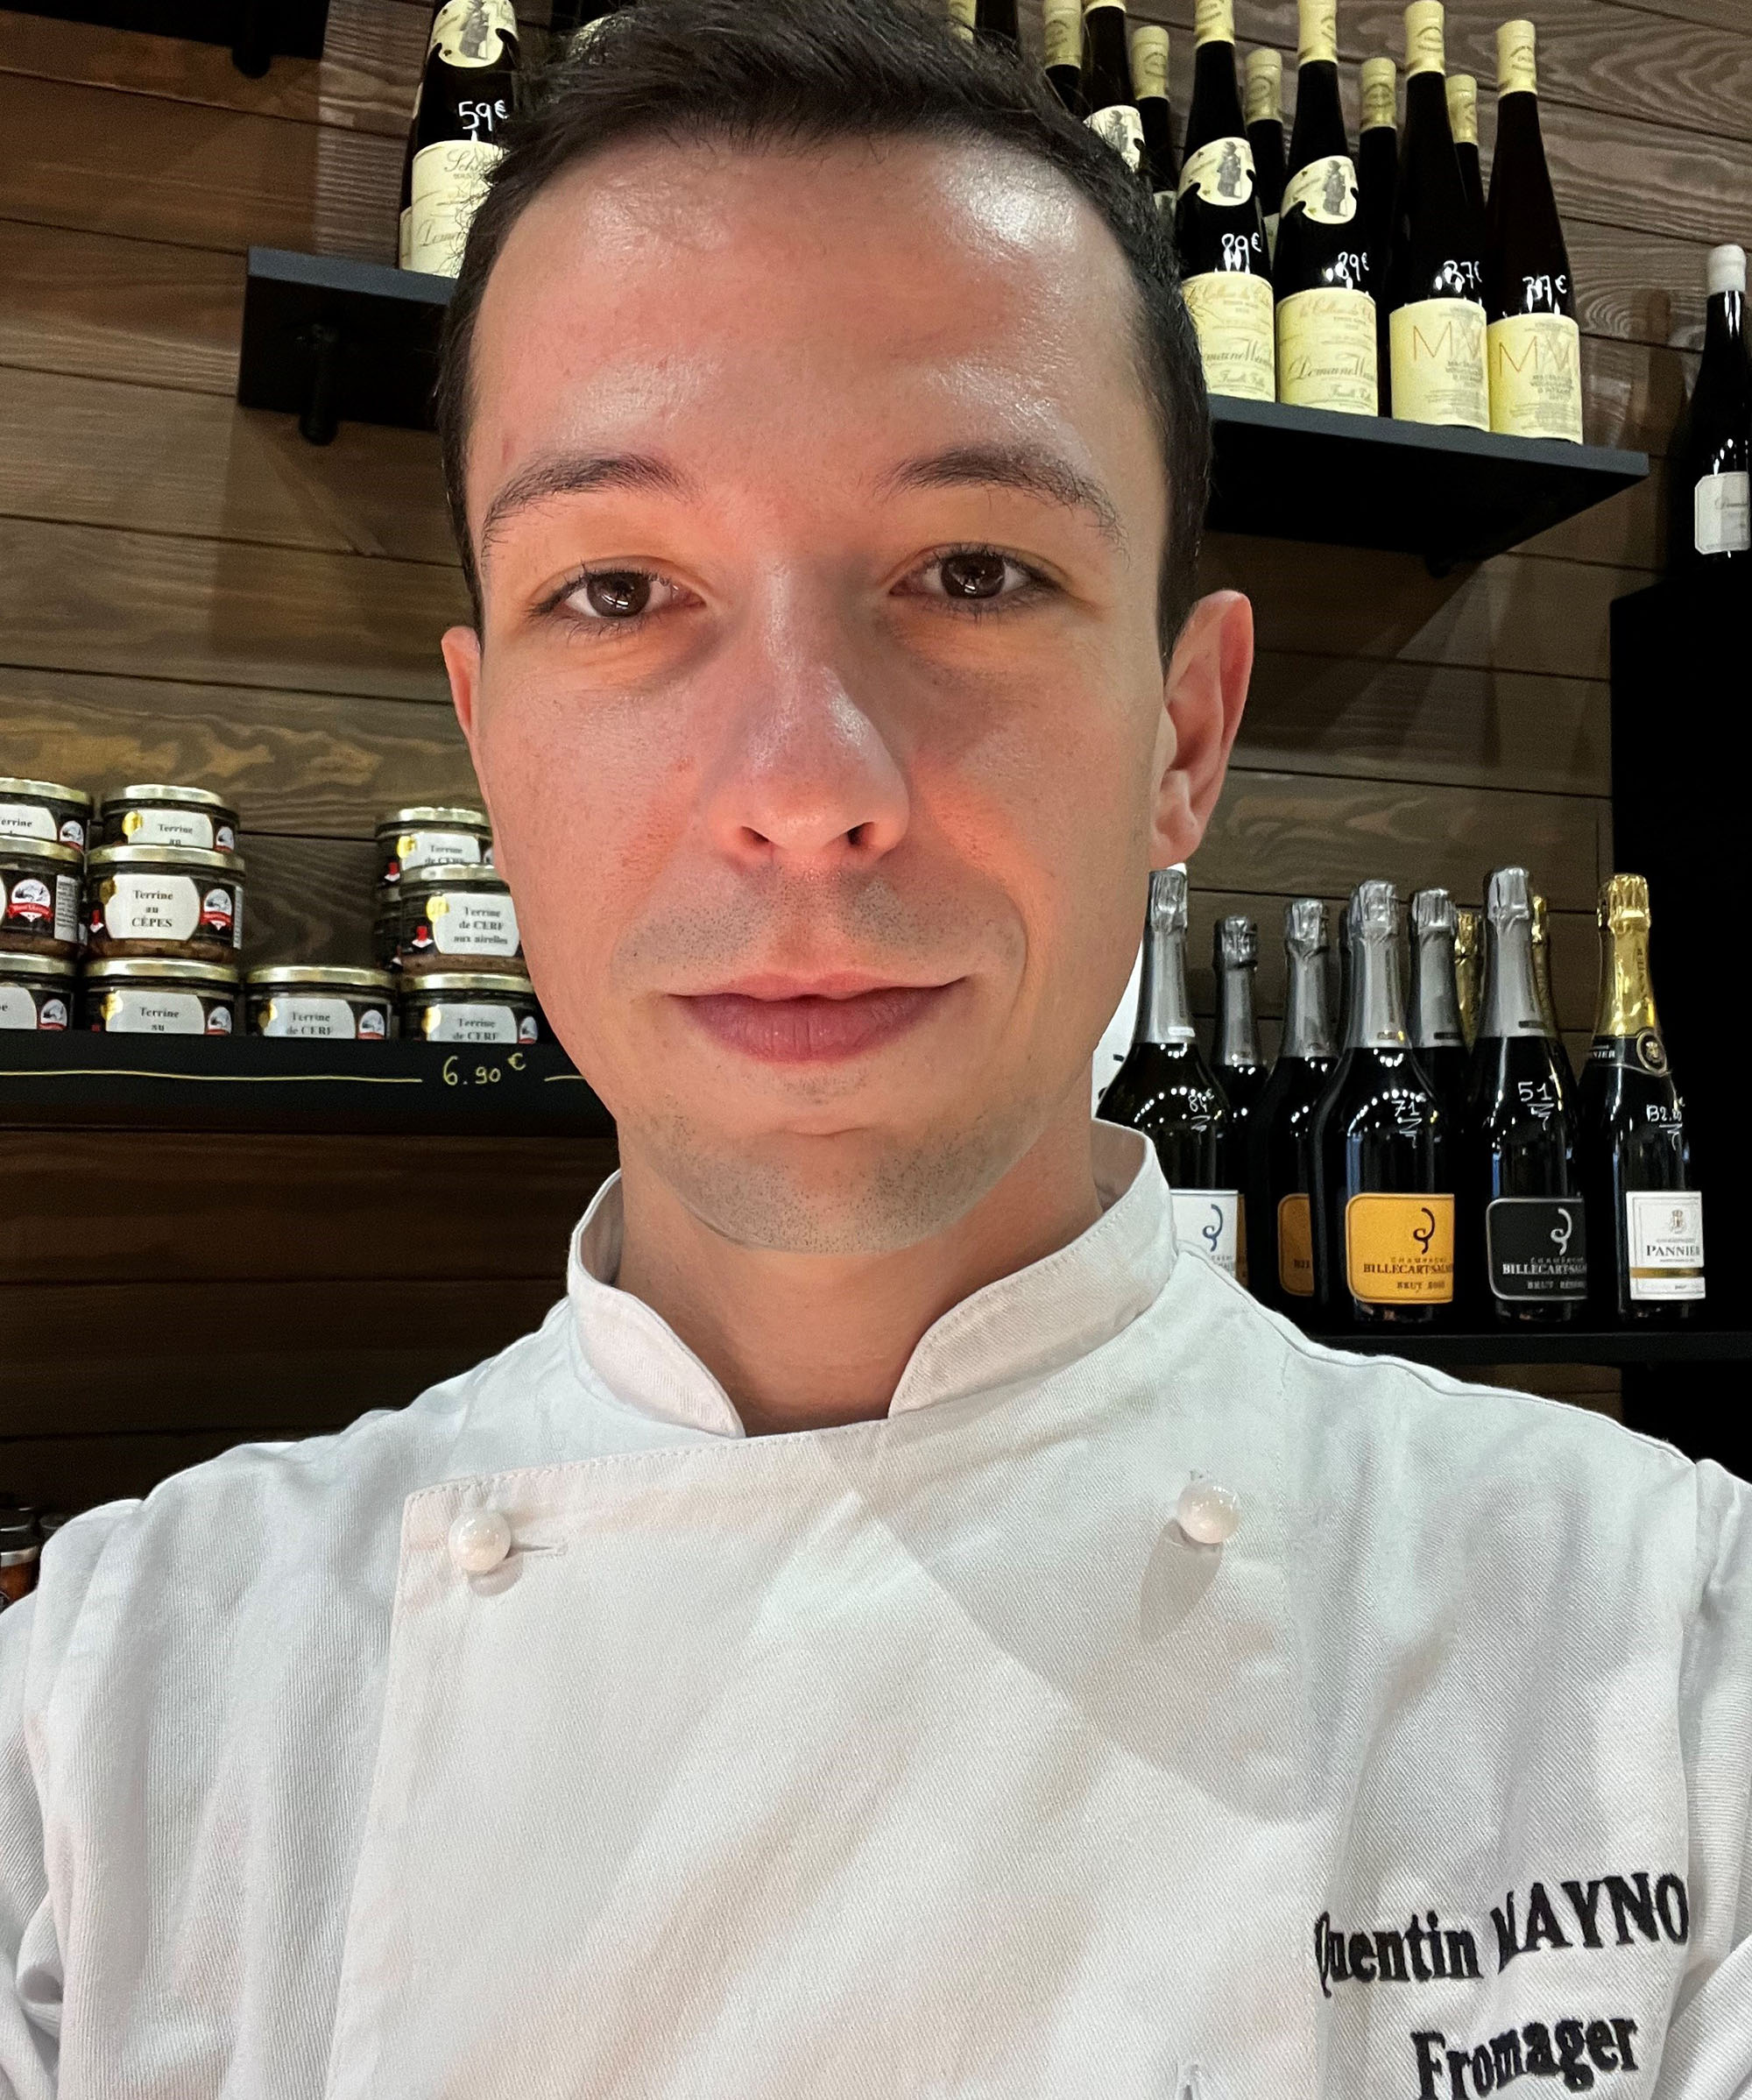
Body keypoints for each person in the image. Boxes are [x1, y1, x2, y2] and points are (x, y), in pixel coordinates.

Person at [1, 1, 1747, 2093]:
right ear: (486, 744)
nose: (803, 788)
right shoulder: (102, 1720)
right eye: (618, 588)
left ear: (1184, 732)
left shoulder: (1667, 1665)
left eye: (971, 571)